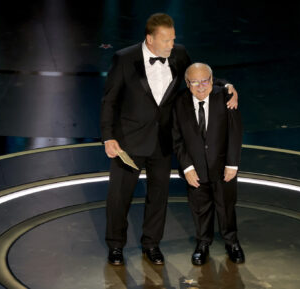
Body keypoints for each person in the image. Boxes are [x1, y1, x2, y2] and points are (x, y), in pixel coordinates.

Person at [100, 13, 238, 266]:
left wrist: (226, 84)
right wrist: (108, 137)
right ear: (150, 39)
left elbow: (197, 79)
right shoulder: (124, 58)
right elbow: (109, 101)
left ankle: (151, 244)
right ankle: (116, 246)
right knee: (119, 196)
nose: (170, 45)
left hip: (163, 141)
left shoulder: (179, 54)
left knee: (158, 195)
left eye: (173, 39)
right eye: (165, 41)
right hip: (128, 142)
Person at [172, 63, 244, 265]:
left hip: (223, 168)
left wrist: (232, 164)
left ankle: (232, 242)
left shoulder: (226, 97)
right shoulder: (179, 102)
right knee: (200, 208)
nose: (201, 86)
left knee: (226, 207)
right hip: (195, 169)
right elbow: (176, 137)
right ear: (187, 83)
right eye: (195, 82)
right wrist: (187, 167)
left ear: (212, 81)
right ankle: (203, 243)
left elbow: (235, 132)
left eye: (205, 81)